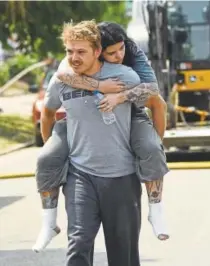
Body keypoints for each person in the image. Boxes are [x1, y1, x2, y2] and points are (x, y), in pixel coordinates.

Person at [32, 22, 170, 253]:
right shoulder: (68, 68)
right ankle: (48, 222)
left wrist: (121, 98)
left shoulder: (130, 64)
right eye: (112, 52)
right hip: (81, 168)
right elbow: (56, 91)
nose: (118, 56)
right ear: (101, 51)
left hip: (128, 133)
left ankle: (156, 209)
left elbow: (155, 96)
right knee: (46, 158)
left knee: (151, 148)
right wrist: (98, 85)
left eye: (120, 50)